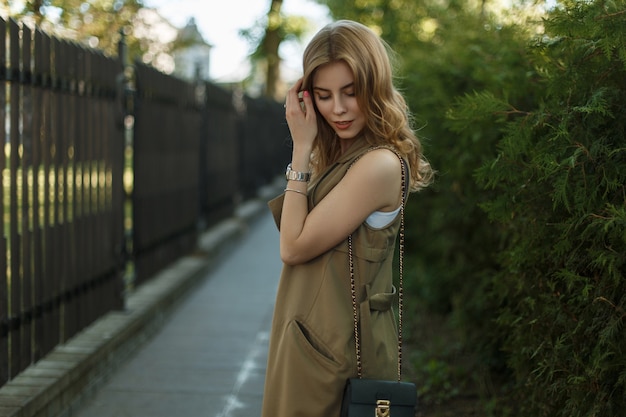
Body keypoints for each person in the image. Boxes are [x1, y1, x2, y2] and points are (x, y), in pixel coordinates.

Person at [262, 19, 433, 417]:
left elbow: (293, 246)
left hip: (337, 355)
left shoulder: (379, 165)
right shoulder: (346, 154)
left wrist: (300, 150)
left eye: (350, 93)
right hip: (312, 341)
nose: (337, 108)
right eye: (323, 95)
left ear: (375, 88)